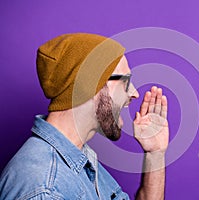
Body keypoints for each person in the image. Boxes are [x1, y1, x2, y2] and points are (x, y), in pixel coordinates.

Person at [0, 33, 169, 199]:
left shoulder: (81, 159)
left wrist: (155, 154)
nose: (134, 93)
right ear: (89, 84)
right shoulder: (45, 189)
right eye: (126, 81)